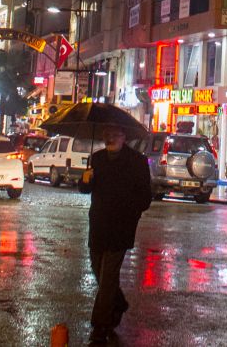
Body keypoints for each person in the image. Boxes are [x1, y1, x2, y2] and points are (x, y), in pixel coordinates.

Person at [78, 124, 152, 344]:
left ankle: (100, 326)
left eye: (115, 134)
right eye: (107, 134)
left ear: (124, 136)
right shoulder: (97, 158)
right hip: (99, 223)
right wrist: (85, 180)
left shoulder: (136, 161)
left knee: (109, 274)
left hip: (121, 226)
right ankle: (118, 302)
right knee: (97, 269)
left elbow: (145, 197)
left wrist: (131, 212)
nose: (111, 138)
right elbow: (84, 190)